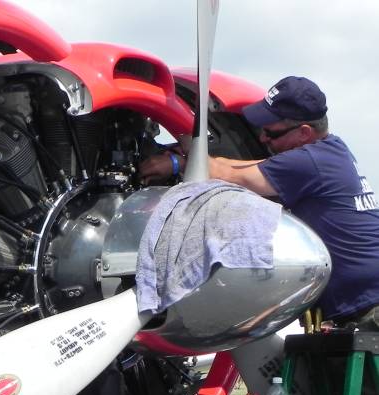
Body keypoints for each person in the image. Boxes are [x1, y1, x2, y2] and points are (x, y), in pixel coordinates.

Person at [139, 75, 379, 330]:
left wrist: (179, 162)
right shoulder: (330, 150)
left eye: (271, 132)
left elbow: (230, 174)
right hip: (359, 304)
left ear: (304, 133)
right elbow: (248, 166)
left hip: (369, 309)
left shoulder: (309, 162)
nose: (263, 138)